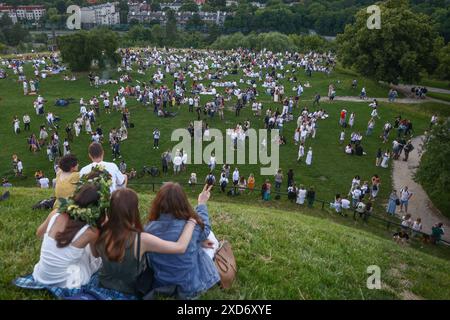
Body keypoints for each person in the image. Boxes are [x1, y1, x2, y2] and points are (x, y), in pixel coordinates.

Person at [96, 188, 197, 296]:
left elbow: (96, 253)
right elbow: (180, 247)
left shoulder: (101, 232)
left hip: (102, 285)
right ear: (133, 210)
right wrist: (191, 222)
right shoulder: (142, 239)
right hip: (129, 291)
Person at [144, 183, 220, 299]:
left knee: (200, 241)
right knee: (211, 239)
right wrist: (202, 203)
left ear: (158, 202)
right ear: (183, 202)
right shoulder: (192, 225)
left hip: (162, 284)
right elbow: (205, 229)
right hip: (190, 287)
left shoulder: (148, 230)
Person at [32, 181, 107, 287]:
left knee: (79, 251)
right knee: (94, 257)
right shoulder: (91, 231)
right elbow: (96, 255)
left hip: (41, 277)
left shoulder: (56, 213)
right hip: (68, 283)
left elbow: (39, 233)